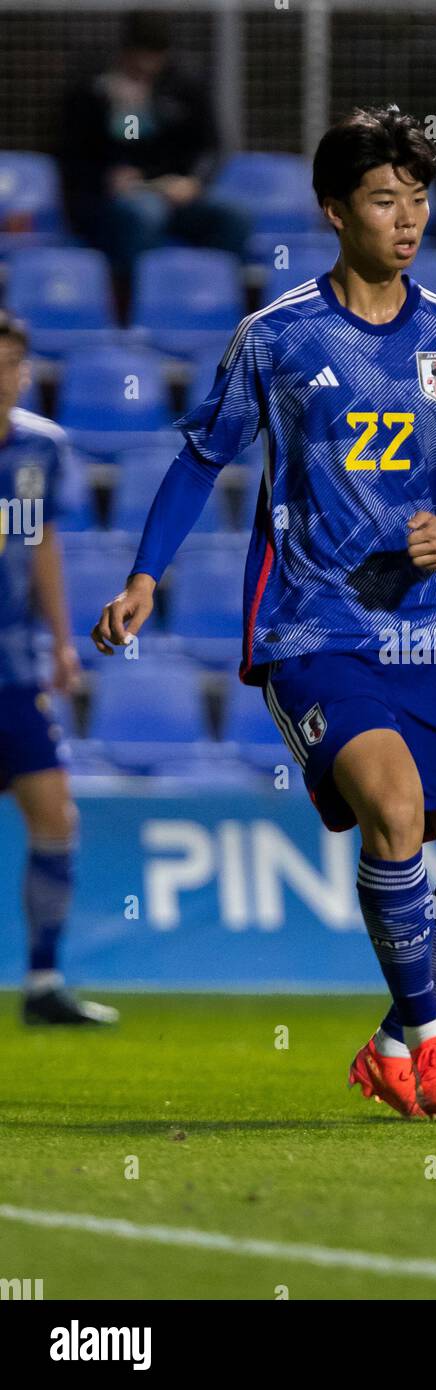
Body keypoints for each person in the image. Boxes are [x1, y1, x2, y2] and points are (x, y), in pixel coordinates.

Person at [91, 106, 436, 1119]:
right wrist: (146, 574)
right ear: (334, 212)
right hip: (310, 626)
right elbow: (203, 458)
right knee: (396, 809)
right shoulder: (279, 337)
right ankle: (430, 1035)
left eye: (417, 199)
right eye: (384, 199)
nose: (406, 218)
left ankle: (387, 1039)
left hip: (429, 632)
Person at [0, 313, 117, 1026]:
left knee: (55, 816)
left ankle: (43, 979)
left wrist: (64, 642)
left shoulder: (41, 446)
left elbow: (41, 543)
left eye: (13, 363)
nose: (4, 375)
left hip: (13, 669)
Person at [59, 10, 248, 287]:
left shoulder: (183, 86)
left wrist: (193, 181)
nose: (146, 67)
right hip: (111, 203)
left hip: (172, 193)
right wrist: (106, 177)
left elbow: (211, 146)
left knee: (234, 217)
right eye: (138, 59)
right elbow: (70, 158)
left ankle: (210, 295)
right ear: (125, 53)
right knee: (145, 213)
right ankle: (139, 302)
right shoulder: (91, 91)